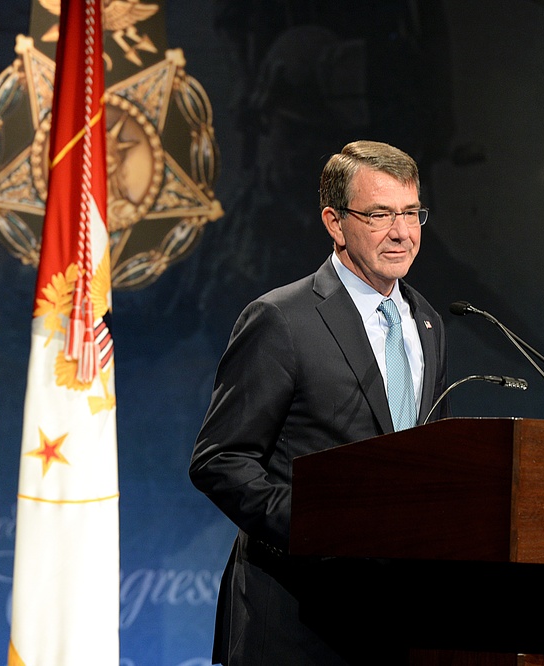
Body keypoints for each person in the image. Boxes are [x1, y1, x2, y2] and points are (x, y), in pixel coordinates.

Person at [189, 140, 448, 666]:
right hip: (294, 618)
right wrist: (321, 527)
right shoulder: (282, 319)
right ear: (334, 222)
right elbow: (220, 461)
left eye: (411, 212)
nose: (401, 232)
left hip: (398, 622)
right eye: (379, 215)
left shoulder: (428, 323)